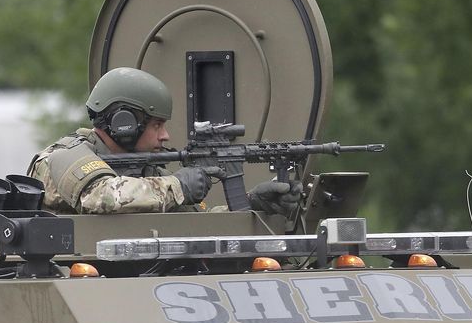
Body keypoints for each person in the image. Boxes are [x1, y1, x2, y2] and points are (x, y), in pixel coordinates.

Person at [28, 67, 301, 215]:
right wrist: (179, 185)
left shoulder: (149, 174)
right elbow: (103, 196)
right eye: (157, 124)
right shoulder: (64, 156)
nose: (165, 136)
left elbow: (193, 220)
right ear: (125, 124)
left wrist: (252, 204)